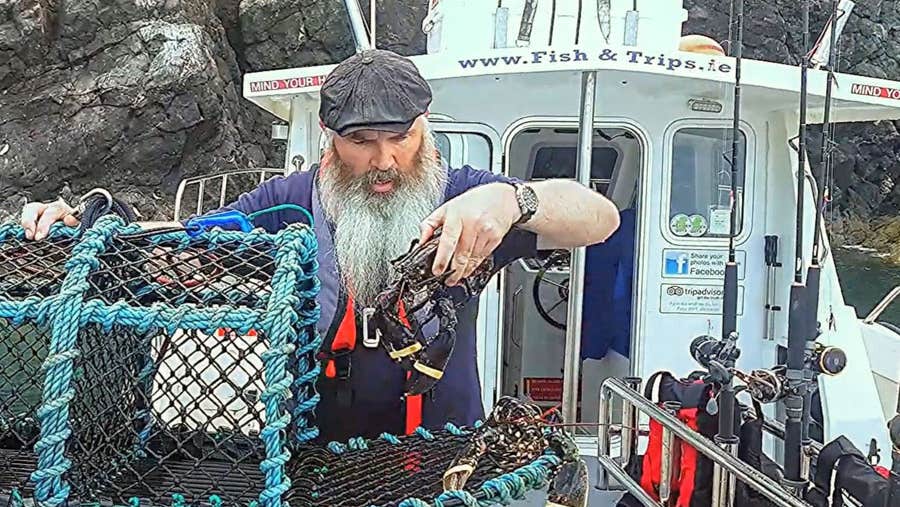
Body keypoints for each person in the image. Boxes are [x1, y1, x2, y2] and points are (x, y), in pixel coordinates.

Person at [19, 49, 621, 442]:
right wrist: (86, 220)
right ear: (331, 141)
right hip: (316, 450)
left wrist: (513, 200)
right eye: (362, 140)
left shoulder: (467, 195)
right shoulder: (288, 201)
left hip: (445, 449)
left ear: (425, 129)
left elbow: (599, 219)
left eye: (399, 137)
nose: (384, 161)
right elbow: (183, 244)